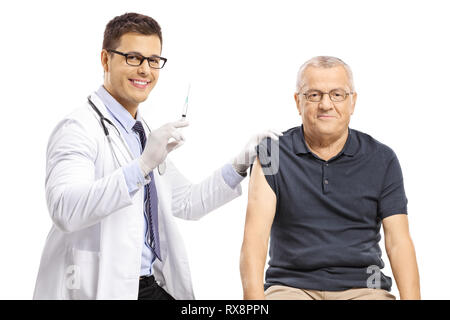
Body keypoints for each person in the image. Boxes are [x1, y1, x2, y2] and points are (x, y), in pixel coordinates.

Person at [33, 12, 280, 300]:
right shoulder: (78, 128)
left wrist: (240, 163)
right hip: (97, 286)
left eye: (153, 60)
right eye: (133, 58)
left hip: (147, 285)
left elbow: (187, 202)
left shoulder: (141, 133)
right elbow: (66, 209)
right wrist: (142, 166)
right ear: (105, 60)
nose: (145, 70)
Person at [240, 56, 420, 300]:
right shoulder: (272, 154)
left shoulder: (382, 159)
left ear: (352, 101)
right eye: (314, 95)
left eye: (337, 94)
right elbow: (255, 240)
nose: (326, 104)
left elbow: (398, 242)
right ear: (298, 102)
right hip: (291, 287)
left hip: (364, 288)